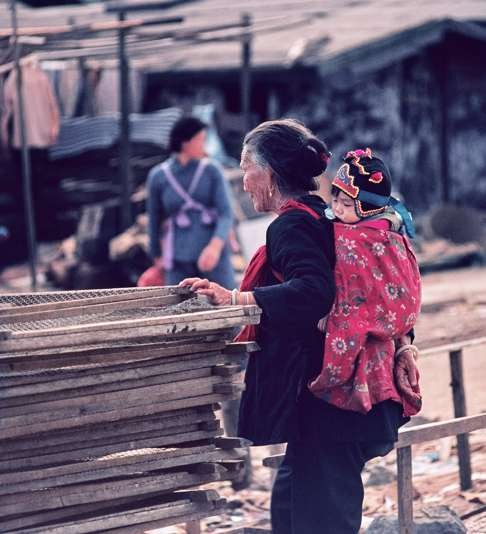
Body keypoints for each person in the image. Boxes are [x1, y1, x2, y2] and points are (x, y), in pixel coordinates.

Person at [180, 119, 420, 534]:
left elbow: (314, 292)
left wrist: (235, 299)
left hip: (329, 401)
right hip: (338, 397)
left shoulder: (293, 224)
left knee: (319, 518)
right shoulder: (323, 215)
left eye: (246, 168)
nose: (243, 181)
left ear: (270, 174)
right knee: (293, 508)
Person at [309, 148, 422, 416]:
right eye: (335, 199)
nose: (337, 208)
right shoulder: (336, 227)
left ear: (368, 207)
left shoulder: (377, 237)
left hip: (374, 330)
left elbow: (392, 287)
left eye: (347, 205)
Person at [146, 116, 235, 288]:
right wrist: (156, 255)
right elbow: (154, 218)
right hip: (177, 256)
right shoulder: (158, 176)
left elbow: (226, 213)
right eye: (200, 140)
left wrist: (215, 247)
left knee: (224, 306)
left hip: (213, 256)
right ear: (185, 142)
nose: (204, 145)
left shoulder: (212, 170)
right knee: (178, 309)